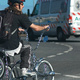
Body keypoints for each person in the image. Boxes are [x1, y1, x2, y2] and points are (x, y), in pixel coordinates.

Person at [0, 0, 49, 76]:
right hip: (11, 46)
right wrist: (44, 27)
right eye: (22, 4)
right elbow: (35, 28)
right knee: (27, 46)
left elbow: (6, 27)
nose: (23, 6)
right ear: (16, 5)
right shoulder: (20, 16)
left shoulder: (2, 13)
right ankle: (24, 70)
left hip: (1, 46)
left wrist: (16, 29)